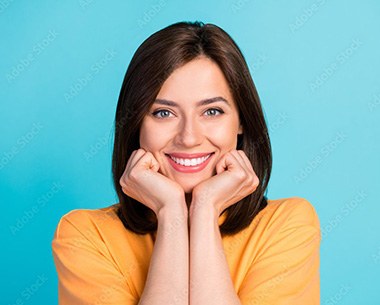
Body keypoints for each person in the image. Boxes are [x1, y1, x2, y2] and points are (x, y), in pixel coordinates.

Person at [52, 21, 321, 305]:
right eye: (164, 113)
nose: (189, 137)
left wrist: (205, 210)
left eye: (212, 111)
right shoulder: (85, 236)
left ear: (241, 121)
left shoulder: (288, 226)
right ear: (136, 125)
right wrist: (172, 213)